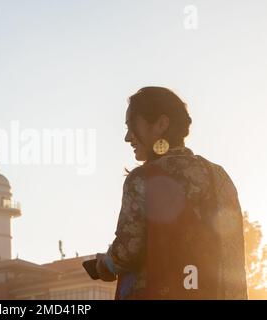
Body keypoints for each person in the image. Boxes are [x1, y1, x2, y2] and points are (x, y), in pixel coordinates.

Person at [95, 87, 247, 299]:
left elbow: (127, 252)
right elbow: (233, 254)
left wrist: (103, 264)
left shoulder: (143, 179)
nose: (127, 137)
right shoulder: (218, 176)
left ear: (161, 124)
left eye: (131, 126)